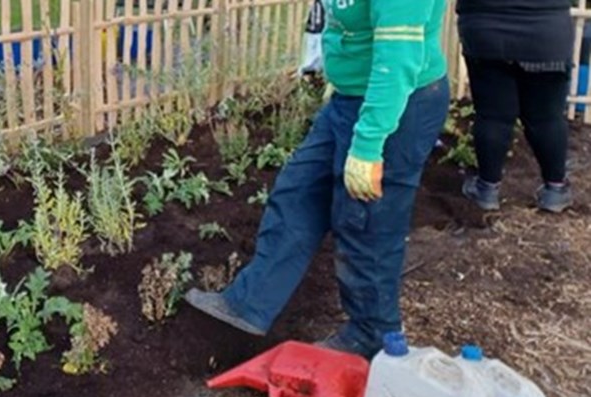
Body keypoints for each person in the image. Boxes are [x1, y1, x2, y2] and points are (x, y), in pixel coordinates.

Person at [183, 0, 450, 360]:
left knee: (365, 221)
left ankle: (372, 333)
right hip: (351, 98)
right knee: (298, 191)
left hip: (397, 103)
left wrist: (369, 144)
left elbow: (398, 55)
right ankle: (249, 304)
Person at [457, 0, 575, 212]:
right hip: (547, 30)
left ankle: (487, 189)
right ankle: (556, 190)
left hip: (486, 30)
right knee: (547, 118)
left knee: (493, 116)